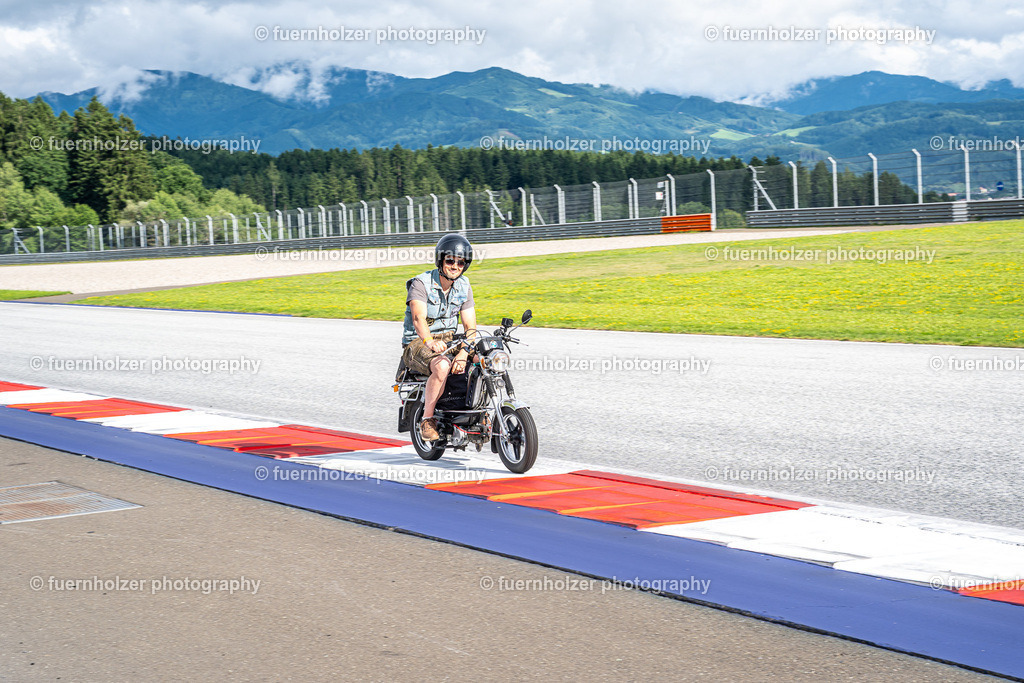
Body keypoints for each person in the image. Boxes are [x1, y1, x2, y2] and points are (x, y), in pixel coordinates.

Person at [401, 234, 478, 441]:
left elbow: (470, 326)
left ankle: (480, 413)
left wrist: (464, 352)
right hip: (418, 342)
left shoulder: (464, 285)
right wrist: (430, 342)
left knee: (487, 359)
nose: (455, 265)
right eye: (450, 260)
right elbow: (418, 319)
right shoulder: (421, 283)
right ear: (441, 260)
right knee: (442, 365)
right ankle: (427, 420)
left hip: (450, 339)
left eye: (460, 262)